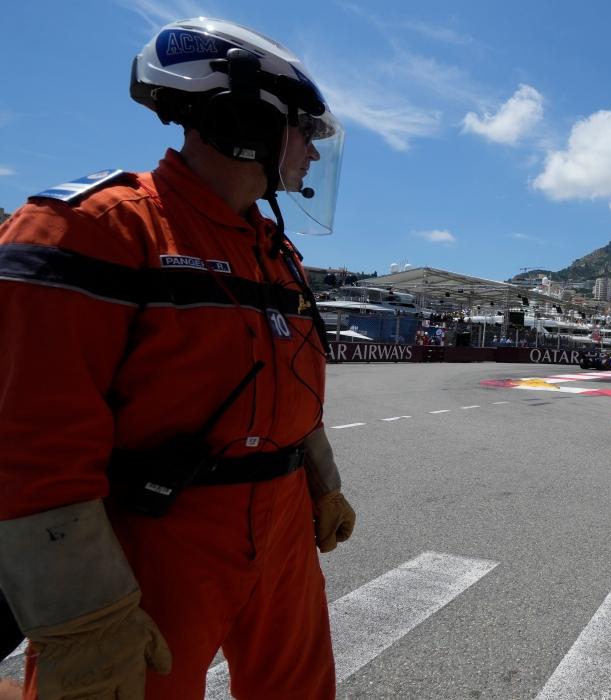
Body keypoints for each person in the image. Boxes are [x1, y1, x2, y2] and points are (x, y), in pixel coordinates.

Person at [0, 18, 356, 700]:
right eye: (304, 130)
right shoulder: (91, 228)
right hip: (156, 533)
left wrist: (323, 482)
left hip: (283, 522)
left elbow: (294, 391)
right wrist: (82, 615)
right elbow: (29, 449)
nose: (313, 152)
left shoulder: (277, 254)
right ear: (247, 119)